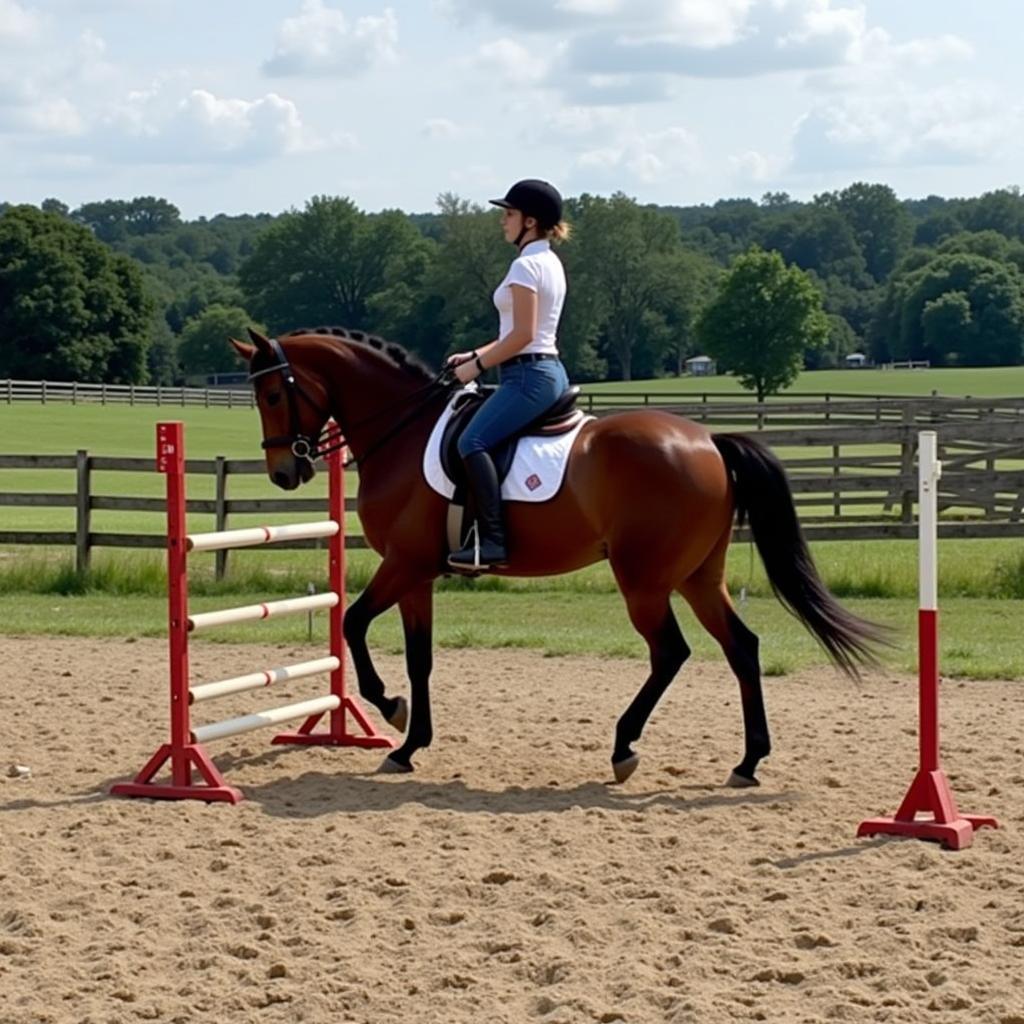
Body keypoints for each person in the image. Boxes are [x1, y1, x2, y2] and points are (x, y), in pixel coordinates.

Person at [445, 178, 572, 571]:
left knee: (473, 441)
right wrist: (473, 353)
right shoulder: (548, 262)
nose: (503, 221)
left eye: (509, 214)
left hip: (527, 376)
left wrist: (477, 366)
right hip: (542, 370)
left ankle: (494, 542)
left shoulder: (525, 266)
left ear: (530, 221)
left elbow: (522, 335)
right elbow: (515, 334)